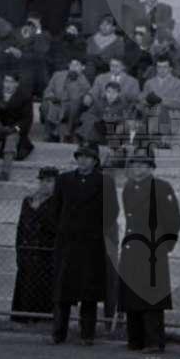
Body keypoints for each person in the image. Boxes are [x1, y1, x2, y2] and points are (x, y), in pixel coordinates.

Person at [49, 142, 117, 346]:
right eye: (80, 156)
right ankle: (58, 333)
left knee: (89, 293)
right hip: (67, 243)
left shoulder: (105, 182)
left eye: (87, 157)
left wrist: (95, 231)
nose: (83, 160)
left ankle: (87, 334)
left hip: (91, 244)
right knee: (63, 292)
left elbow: (111, 211)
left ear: (95, 161)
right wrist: (63, 229)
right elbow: (55, 209)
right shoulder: (64, 180)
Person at [118, 150, 180, 352]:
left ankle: (154, 341)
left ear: (151, 168)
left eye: (143, 165)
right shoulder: (128, 188)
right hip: (132, 247)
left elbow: (173, 220)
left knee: (152, 295)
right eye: (134, 165)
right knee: (132, 295)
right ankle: (135, 340)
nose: (138, 168)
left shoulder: (161, 187)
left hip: (153, 248)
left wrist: (165, 245)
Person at [11, 166, 61, 322]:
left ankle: (41, 318)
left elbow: (55, 226)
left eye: (49, 181)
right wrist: (19, 250)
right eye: (42, 181)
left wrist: (38, 210)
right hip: (28, 249)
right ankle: (22, 317)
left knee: (43, 287)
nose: (45, 184)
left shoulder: (58, 203)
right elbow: (21, 227)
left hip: (46, 251)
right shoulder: (28, 200)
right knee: (25, 284)